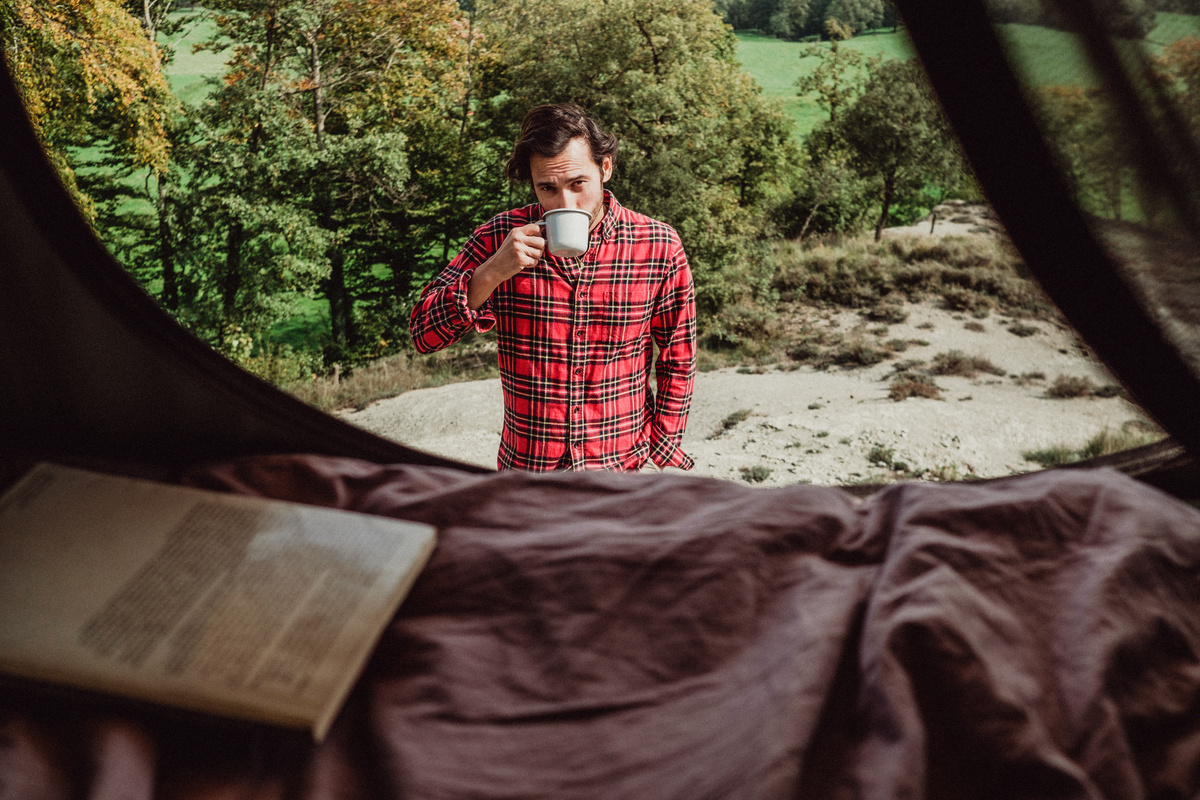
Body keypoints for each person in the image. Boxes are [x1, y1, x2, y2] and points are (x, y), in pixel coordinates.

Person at [409, 103, 696, 472]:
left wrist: (664, 448)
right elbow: (423, 335)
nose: (565, 202)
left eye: (578, 184)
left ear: (605, 168)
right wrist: (491, 272)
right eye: (548, 188)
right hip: (527, 471)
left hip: (623, 471)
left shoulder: (658, 244)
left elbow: (679, 354)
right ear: (533, 185)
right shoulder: (499, 237)